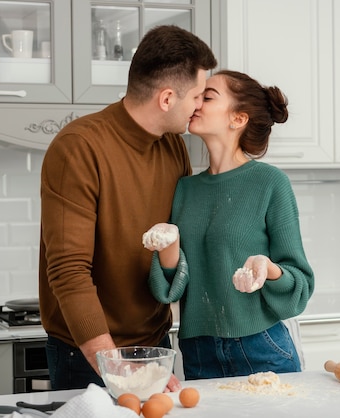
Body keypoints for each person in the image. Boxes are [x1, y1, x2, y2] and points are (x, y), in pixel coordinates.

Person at [38, 25, 217, 390]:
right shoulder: (78, 148)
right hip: (87, 353)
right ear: (167, 99)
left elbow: (174, 250)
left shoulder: (173, 147)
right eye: (198, 95)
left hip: (154, 347)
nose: (200, 106)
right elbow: (68, 270)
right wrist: (112, 362)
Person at [143, 70, 314, 380]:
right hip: (198, 349)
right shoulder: (185, 189)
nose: (195, 103)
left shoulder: (270, 183)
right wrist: (167, 247)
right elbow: (172, 286)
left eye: (207, 97)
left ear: (238, 119)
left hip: (261, 345)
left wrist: (267, 268)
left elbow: (300, 284)